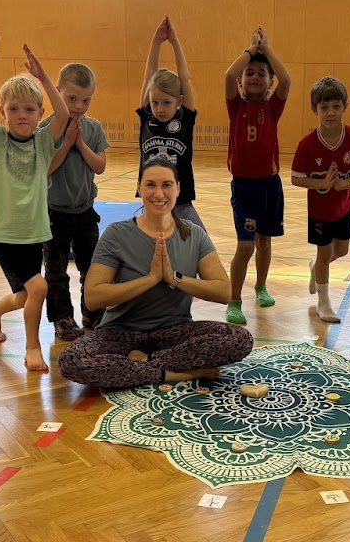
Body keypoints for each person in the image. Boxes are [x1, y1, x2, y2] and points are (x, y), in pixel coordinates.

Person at [59, 158, 254, 388]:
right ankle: (175, 374)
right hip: (121, 333)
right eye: (150, 184)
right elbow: (92, 298)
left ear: (178, 189)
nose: (159, 194)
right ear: (139, 188)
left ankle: (145, 364)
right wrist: (151, 279)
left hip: (175, 333)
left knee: (238, 338)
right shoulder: (116, 234)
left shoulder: (195, 234)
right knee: (74, 360)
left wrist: (174, 278)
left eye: (167, 185)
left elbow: (223, 292)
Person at [0, 33, 68, 372]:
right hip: (2, 234)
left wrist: (43, 77)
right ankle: (32, 348)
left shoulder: (43, 143)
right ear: (2, 112)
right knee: (39, 287)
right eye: (13, 109)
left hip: (32, 234)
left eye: (29, 109)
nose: (21, 115)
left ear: (40, 113)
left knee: (27, 295)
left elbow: (64, 113)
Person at [224, 26, 292, 325]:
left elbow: (287, 79)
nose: (254, 77)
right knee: (245, 246)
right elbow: (228, 75)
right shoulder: (235, 106)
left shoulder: (272, 107)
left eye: (261, 74)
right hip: (244, 187)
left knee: (264, 241)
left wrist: (267, 51)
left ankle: (261, 286)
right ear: (241, 81)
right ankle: (234, 300)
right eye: (249, 73)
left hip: (270, 186)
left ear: (269, 82)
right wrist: (251, 50)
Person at [290, 77, 350, 322]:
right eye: (324, 107)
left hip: (342, 208)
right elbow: (296, 178)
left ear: (345, 106)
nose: (330, 113)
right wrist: (322, 184)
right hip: (319, 211)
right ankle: (323, 302)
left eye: (336, 106)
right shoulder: (307, 144)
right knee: (324, 253)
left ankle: (316, 267)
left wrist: (345, 184)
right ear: (314, 109)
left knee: (341, 251)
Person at [41, 61, 109, 342]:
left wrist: (80, 144)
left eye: (86, 100)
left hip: (85, 211)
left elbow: (100, 166)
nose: (79, 106)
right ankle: (62, 317)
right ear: (57, 92)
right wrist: (67, 142)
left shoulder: (93, 128)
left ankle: (92, 311)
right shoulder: (46, 128)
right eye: (71, 99)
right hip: (54, 213)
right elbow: (46, 167)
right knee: (56, 270)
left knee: (92, 266)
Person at [138, 15, 203, 229]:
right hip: (152, 200)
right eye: (155, 102)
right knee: (151, 243)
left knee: (200, 242)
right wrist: (156, 42)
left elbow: (185, 79)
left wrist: (174, 42)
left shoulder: (185, 119)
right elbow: (148, 77)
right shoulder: (147, 117)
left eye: (167, 103)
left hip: (181, 200)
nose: (159, 108)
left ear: (179, 102)